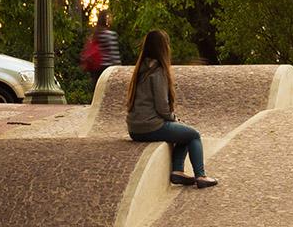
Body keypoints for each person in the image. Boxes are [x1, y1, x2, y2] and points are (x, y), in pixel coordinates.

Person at [126, 30, 218, 189]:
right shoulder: (157, 71)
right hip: (150, 126)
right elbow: (162, 106)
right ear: (163, 48)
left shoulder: (140, 69)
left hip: (134, 128)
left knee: (184, 132)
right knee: (193, 135)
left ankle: (178, 171)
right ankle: (201, 176)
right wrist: (173, 117)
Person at [89, 10, 121, 89]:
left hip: (98, 69)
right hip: (109, 69)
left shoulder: (96, 34)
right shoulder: (110, 35)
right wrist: (119, 69)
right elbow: (114, 54)